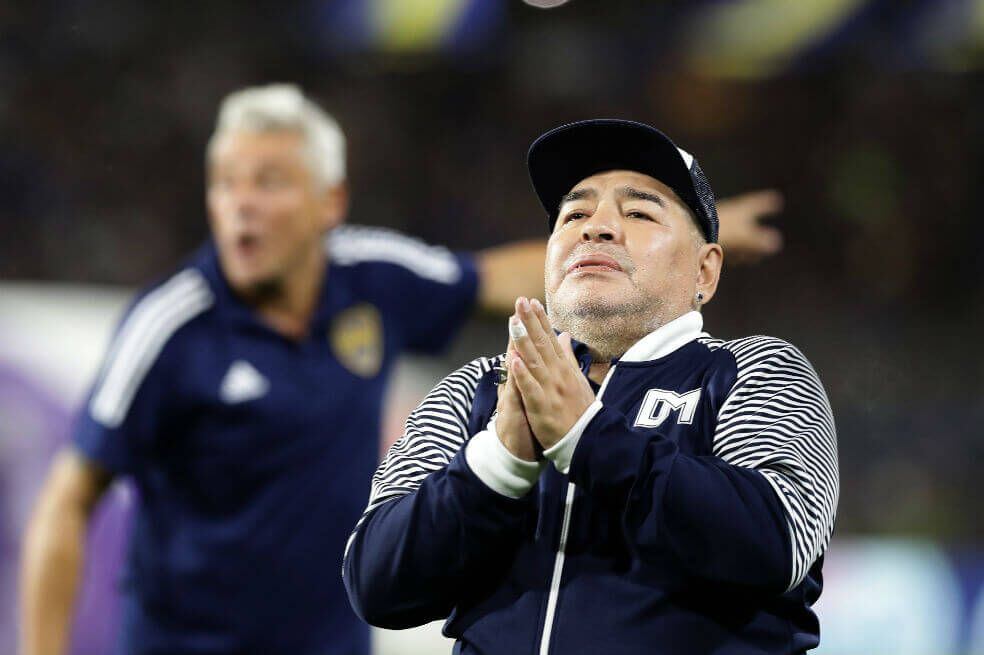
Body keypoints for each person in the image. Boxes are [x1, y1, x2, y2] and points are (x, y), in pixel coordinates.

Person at [18, 81, 787, 655]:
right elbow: (66, 499)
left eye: (269, 181)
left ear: (329, 201)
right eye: (226, 182)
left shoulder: (374, 276)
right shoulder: (171, 323)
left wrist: (654, 239)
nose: (240, 204)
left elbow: (495, 274)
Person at [343, 119, 839, 654]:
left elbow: (777, 543)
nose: (596, 228)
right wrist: (498, 465)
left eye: (639, 213)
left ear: (705, 272)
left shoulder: (756, 369)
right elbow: (375, 581)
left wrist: (591, 440)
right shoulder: (476, 390)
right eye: (575, 214)